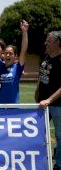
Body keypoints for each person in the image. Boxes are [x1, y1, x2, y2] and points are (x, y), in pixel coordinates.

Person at [36, 31, 61, 170]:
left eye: (49, 41)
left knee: (59, 135)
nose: (46, 43)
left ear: (57, 43)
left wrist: (49, 99)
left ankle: (59, 164)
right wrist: (37, 92)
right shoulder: (46, 56)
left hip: (57, 105)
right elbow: (42, 76)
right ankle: (40, 161)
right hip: (42, 104)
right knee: (39, 132)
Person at [0, 20, 29, 103]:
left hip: (13, 108)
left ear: (15, 57)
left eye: (10, 53)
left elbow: (23, 50)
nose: (7, 55)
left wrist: (25, 32)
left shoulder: (18, 67)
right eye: (6, 53)